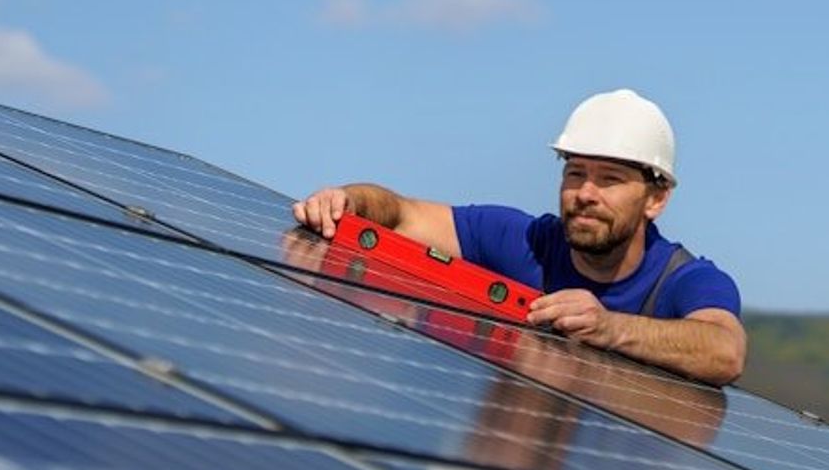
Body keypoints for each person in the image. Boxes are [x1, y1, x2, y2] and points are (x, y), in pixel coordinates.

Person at [292, 89, 746, 385]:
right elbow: (401, 213)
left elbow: (724, 351)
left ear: (656, 199)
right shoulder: (523, 240)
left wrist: (609, 327)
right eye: (575, 173)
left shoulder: (686, 281)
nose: (585, 194)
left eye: (609, 179)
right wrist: (348, 200)